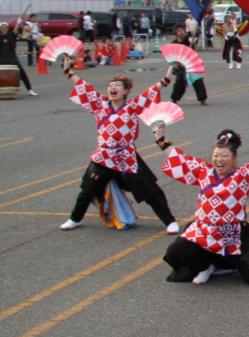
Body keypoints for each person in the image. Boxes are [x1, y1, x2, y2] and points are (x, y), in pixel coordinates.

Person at [156, 126, 249, 285]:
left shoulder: (243, 176)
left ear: (234, 158)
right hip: (203, 231)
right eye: (215, 155)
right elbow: (179, 159)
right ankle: (205, 266)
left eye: (224, 156)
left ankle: (232, 263)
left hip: (232, 234)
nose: (219, 160)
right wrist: (161, 139)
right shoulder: (203, 171)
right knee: (175, 252)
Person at [59, 66, 179, 233]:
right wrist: (70, 72)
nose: (112, 88)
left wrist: (165, 79)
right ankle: (75, 218)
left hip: (126, 155)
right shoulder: (99, 104)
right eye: (110, 85)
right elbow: (84, 87)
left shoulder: (132, 107)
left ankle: (169, 221)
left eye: (117, 86)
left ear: (126, 91)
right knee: (87, 189)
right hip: (104, 155)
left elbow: (149, 93)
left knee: (150, 190)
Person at [167, 25, 208, 106]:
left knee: (198, 80)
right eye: (179, 31)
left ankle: (202, 99)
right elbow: (172, 57)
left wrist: (193, 41)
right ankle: (174, 99)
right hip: (180, 65)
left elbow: (194, 43)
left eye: (182, 30)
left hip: (191, 64)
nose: (181, 32)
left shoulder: (188, 40)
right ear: (176, 33)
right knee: (180, 82)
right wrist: (177, 64)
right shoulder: (173, 43)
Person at [0, 20, 35, 96]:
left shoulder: (11, 35)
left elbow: (15, 29)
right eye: (2, 27)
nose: (4, 28)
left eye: (5, 27)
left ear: (7, 28)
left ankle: (30, 90)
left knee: (22, 73)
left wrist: (18, 21)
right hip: (1, 58)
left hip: (12, 57)